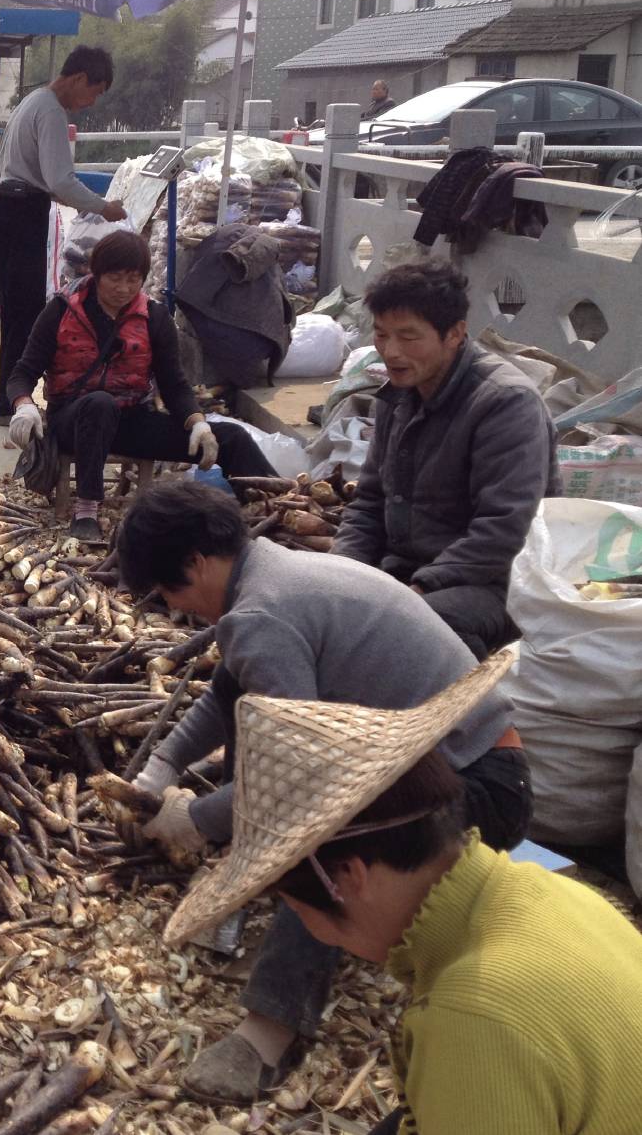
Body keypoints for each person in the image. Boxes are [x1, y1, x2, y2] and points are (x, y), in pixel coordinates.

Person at [117, 482, 533, 1106]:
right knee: (263, 735)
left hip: (477, 790)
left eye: (170, 592)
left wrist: (198, 820)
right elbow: (228, 697)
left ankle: (269, 1029)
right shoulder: (269, 575)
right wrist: (160, 769)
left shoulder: (262, 614)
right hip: (471, 764)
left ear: (197, 563)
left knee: (319, 835)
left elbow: (302, 788)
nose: (176, 610)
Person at [164, 653, 642, 1135]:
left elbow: (484, 1042)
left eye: (294, 906)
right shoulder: (549, 891)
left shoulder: (472, 1020)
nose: (306, 926)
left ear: (347, 878)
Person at [331, 260, 557, 658]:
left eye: (408, 337)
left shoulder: (506, 403)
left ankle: (473, 713)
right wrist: (340, 574)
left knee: (415, 631)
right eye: (382, 335)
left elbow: (505, 529)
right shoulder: (398, 393)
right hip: (404, 573)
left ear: (455, 333)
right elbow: (369, 502)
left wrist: (417, 590)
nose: (391, 351)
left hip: (491, 585)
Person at [5, 231, 275, 542]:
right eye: (115, 278)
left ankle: (278, 510)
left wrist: (198, 424)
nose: (124, 289)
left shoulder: (154, 317)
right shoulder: (62, 311)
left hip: (132, 419)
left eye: (134, 280)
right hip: (73, 420)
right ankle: (87, 508)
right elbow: (22, 372)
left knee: (232, 437)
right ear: (96, 273)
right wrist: (23, 406)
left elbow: (173, 384)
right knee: (99, 404)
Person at [0, 46, 128, 426]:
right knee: (27, 316)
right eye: (94, 92)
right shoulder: (49, 110)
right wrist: (104, 207)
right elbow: (61, 180)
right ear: (80, 78)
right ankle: (12, 403)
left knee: (18, 313)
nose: (90, 101)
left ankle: (8, 399)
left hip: (8, 210)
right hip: (21, 214)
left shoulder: (32, 101)